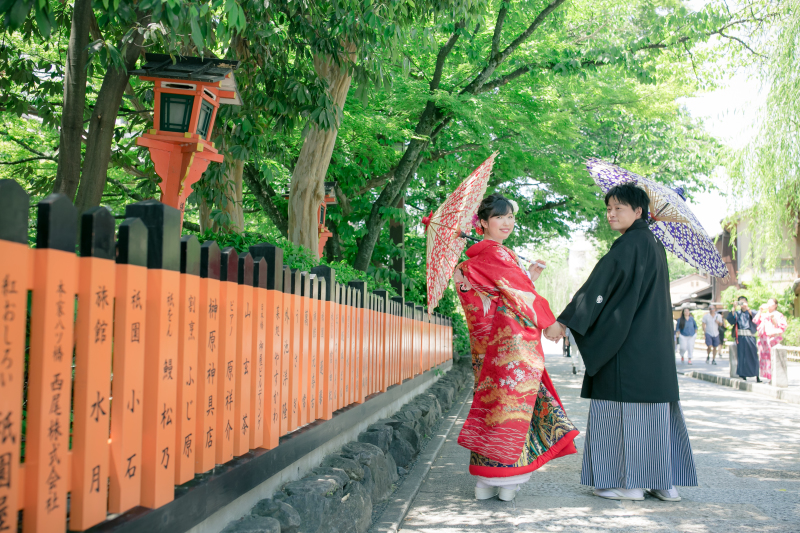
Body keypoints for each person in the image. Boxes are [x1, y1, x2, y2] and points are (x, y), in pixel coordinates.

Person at [545, 183, 697, 502]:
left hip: (626, 347)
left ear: (639, 211)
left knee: (621, 413)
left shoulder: (628, 246)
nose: (611, 214)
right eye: (609, 208)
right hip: (653, 347)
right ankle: (663, 482)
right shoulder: (653, 244)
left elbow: (599, 289)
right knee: (654, 413)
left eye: (619, 208)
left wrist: (566, 321)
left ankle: (631, 484)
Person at [453, 193, 578, 502]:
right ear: (483, 223)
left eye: (510, 217)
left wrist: (528, 276)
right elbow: (518, 294)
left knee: (489, 407)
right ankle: (508, 481)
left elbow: (498, 296)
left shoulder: (471, 261)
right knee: (513, 409)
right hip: (510, 348)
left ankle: (484, 482)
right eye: (499, 217)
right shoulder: (497, 254)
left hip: (487, 349)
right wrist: (549, 322)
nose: (507, 222)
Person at [754, 298, 788, 382]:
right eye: (768, 303)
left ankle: (774, 377)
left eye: (771, 304)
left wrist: (773, 319)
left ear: (775, 306)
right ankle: (769, 378)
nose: (769, 305)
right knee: (766, 359)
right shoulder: (764, 314)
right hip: (764, 340)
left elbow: (781, 326)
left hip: (772, 339)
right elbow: (755, 321)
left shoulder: (778, 314)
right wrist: (760, 310)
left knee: (772, 357)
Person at [727, 296, 760, 381]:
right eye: (740, 303)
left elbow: (756, 319)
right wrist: (733, 308)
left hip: (750, 336)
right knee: (742, 356)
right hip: (740, 337)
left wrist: (748, 309)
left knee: (753, 355)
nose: (742, 304)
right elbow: (731, 320)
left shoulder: (752, 312)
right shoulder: (737, 313)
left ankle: (756, 374)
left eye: (744, 302)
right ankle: (742, 374)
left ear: (747, 302)